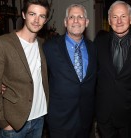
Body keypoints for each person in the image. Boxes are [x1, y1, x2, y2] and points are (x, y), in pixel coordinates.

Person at [0, 0, 50, 137]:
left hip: (39, 118)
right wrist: (2, 122)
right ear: (24, 14)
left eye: (41, 16)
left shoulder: (44, 45)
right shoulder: (0, 44)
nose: (37, 20)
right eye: (32, 14)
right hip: (14, 123)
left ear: (45, 20)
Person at [94, 1, 131, 137]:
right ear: (109, 20)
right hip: (104, 113)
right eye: (114, 17)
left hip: (130, 114)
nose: (119, 21)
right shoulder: (98, 43)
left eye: (123, 16)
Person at [43, 4, 97, 138]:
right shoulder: (49, 48)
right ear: (65, 22)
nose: (76, 21)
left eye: (80, 17)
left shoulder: (94, 48)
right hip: (59, 120)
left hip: (85, 118)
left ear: (87, 22)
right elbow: (34, 75)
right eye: (72, 17)